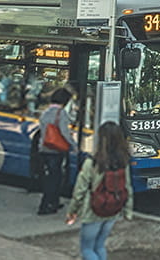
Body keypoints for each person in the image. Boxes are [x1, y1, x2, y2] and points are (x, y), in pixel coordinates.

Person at [65, 121, 133, 260]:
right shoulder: (123, 161)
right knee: (100, 246)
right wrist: (128, 211)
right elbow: (127, 187)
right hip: (113, 209)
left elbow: (80, 189)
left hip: (93, 210)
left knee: (87, 249)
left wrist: (73, 211)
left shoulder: (93, 162)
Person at [37, 88, 78, 215]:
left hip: (44, 148)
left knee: (50, 177)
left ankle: (53, 202)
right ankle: (46, 206)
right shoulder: (61, 113)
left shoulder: (45, 112)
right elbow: (64, 132)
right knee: (55, 178)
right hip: (55, 150)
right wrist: (73, 145)